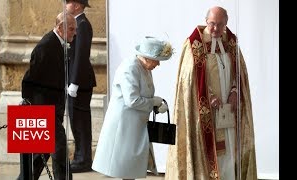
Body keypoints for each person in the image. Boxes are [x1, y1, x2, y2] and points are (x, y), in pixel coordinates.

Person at [165, 6, 258, 180]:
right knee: (211, 151)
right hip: (205, 111)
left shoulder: (231, 42)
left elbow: (239, 73)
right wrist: (208, 96)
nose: (215, 28)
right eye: (212, 24)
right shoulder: (194, 45)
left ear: (226, 23)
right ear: (206, 21)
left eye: (220, 24)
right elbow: (189, 80)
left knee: (229, 151)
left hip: (228, 111)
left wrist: (235, 90)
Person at [92, 36, 173, 180]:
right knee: (125, 168)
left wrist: (156, 105)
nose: (158, 64)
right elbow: (132, 100)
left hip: (135, 125)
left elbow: (144, 95)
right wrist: (154, 101)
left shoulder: (144, 68)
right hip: (124, 126)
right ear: (147, 57)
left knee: (130, 169)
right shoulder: (130, 68)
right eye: (157, 60)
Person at [18, 12, 76, 180]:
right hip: (45, 109)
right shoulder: (45, 46)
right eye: (71, 29)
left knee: (39, 156)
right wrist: (32, 109)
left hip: (53, 108)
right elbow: (28, 80)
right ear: (60, 28)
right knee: (60, 151)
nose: (75, 32)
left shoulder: (58, 43)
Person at [65, 0, 97, 173]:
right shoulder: (77, 22)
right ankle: (80, 156)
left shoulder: (82, 24)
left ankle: (83, 159)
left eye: (68, 2)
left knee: (80, 122)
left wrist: (75, 82)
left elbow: (81, 56)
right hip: (76, 80)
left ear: (77, 5)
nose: (65, 5)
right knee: (76, 121)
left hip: (81, 82)